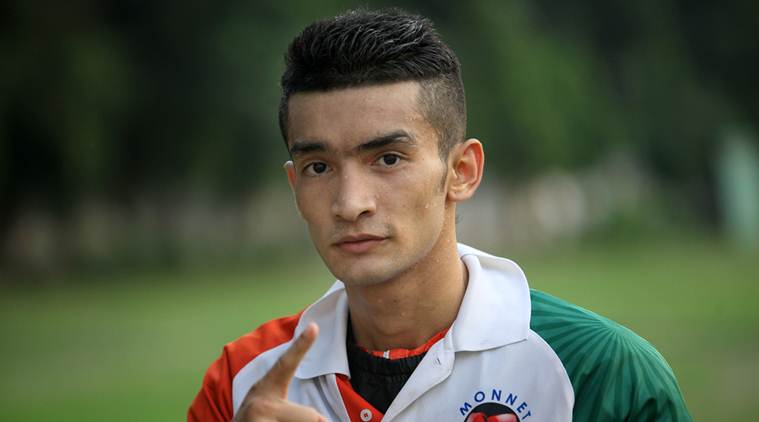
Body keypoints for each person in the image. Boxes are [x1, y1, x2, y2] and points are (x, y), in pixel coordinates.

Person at [189, 8, 691, 422]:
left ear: (462, 172)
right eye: (318, 167)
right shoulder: (243, 382)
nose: (350, 203)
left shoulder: (600, 374)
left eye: (388, 159)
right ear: (295, 188)